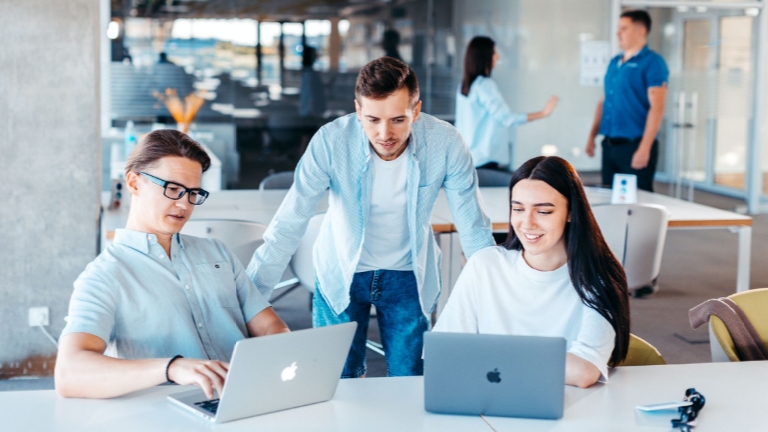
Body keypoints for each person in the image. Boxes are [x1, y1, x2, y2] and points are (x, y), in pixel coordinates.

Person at [247, 57, 494, 379]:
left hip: (408, 276)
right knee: (337, 381)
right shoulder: (330, 141)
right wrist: (251, 300)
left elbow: (473, 225)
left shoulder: (445, 142)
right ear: (358, 109)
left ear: (416, 111)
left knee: (410, 380)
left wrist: (496, 296)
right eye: (372, 119)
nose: (384, 133)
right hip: (341, 272)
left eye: (398, 120)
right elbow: (289, 223)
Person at [55, 130, 289, 399]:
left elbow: (271, 326)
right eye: (173, 189)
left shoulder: (217, 253)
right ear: (133, 183)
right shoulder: (105, 275)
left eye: (193, 193)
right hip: (167, 412)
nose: (184, 204)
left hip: (247, 398)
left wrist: (284, 356)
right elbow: (68, 374)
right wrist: (172, 368)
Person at [433, 156, 630, 388]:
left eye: (543, 212)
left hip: (569, 409)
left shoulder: (597, 277)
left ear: (571, 212)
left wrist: (489, 358)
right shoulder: (485, 265)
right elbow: (445, 353)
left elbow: (583, 370)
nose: (527, 224)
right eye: (518, 209)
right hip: (487, 401)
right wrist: (540, 362)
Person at [585, 9, 669, 192]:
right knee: (608, 198)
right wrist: (592, 136)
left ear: (641, 31)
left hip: (635, 145)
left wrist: (644, 148)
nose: (618, 33)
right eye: (618, 28)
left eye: (624, 28)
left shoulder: (653, 63)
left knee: (638, 202)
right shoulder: (614, 62)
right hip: (609, 144)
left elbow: (658, 107)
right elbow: (603, 101)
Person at [456, 36, 559, 171]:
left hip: (469, 157)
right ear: (484, 56)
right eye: (494, 52)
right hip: (485, 158)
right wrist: (543, 113)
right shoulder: (485, 85)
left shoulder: (465, 86)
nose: (498, 57)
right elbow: (507, 118)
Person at [299, 46, 327, 118]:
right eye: (314, 54)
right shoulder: (310, 74)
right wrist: (314, 111)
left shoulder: (307, 73)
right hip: (311, 113)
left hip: (309, 112)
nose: (316, 56)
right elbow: (311, 93)